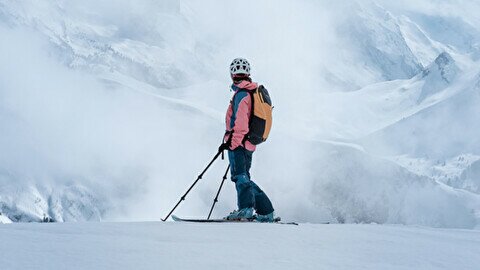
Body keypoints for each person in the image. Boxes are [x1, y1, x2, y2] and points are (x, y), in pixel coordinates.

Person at [219, 58, 275, 222]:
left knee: (240, 177)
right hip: (249, 143)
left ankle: (246, 209)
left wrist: (232, 144)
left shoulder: (242, 94)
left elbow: (241, 124)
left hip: (240, 143)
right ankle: (266, 212)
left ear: (232, 75)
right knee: (244, 177)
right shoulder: (250, 91)